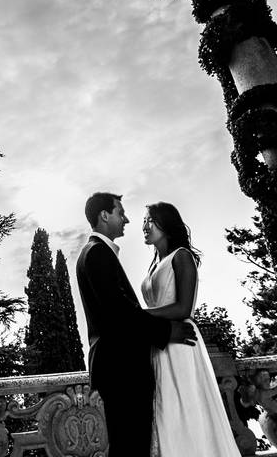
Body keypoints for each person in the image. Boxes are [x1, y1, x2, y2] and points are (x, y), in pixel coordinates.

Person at [76, 192, 197, 457]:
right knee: (131, 447)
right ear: (104, 216)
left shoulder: (96, 253)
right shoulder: (97, 254)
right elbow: (119, 313)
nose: (127, 219)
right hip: (122, 369)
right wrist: (167, 331)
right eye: (120, 213)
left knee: (130, 445)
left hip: (121, 367)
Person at [140, 201, 241, 457]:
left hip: (180, 345)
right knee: (165, 410)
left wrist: (136, 316)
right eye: (144, 220)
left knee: (184, 409)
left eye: (150, 220)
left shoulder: (182, 256)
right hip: (159, 341)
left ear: (166, 222)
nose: (144, 225)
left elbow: (184, 308)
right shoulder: (154, 263)